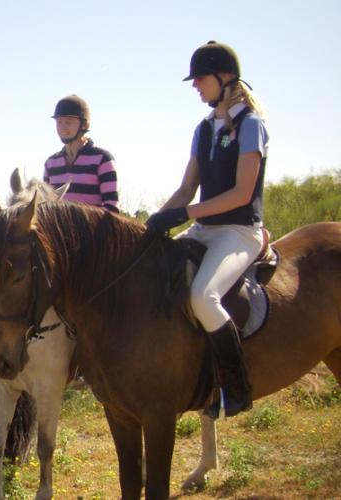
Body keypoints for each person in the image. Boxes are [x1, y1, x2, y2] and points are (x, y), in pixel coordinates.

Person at [146, 41, 268, 419]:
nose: (195, 85)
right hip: (203, 229)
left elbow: (242, 192)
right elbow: (186, 189)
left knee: (203, 295)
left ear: (223, 76)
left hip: (239, 232)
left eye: (200, 78)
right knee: (152, 276)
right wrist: (154, 222)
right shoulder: (203, 128)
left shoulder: (252, 124)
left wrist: (186, 212)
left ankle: (235, 386)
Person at [43, 95, 119, 212]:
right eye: (59, 122)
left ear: (84, 125)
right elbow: (45, 207)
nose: (62, 128)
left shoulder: (103, 159)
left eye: (68, 122)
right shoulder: (50, 163)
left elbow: (112, 207)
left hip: (93, 230)